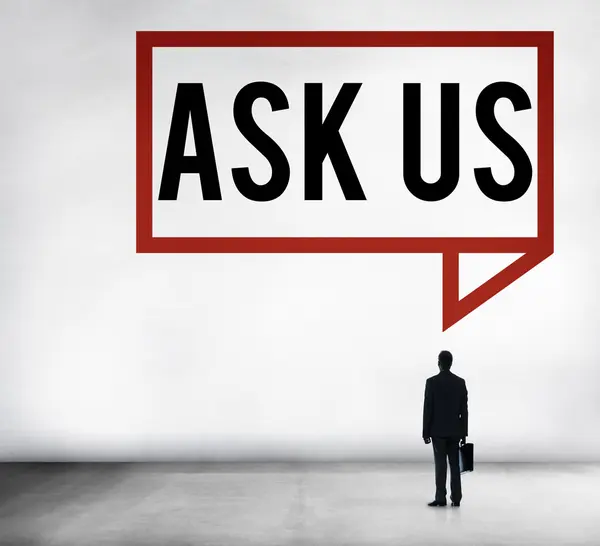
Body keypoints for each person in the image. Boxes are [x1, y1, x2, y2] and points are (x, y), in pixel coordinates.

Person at [422, 350, 468, 507]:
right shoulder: (460, 382)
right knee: (455, 465)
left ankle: (440, 497)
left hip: (438, 431)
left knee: (440, 465)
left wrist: (425, 432)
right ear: (451, 363)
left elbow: (428, 409)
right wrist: (464, 433)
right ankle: (456, 499)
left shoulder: (432, 382)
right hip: (455, 431)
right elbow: (464, 411)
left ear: (439, 363)